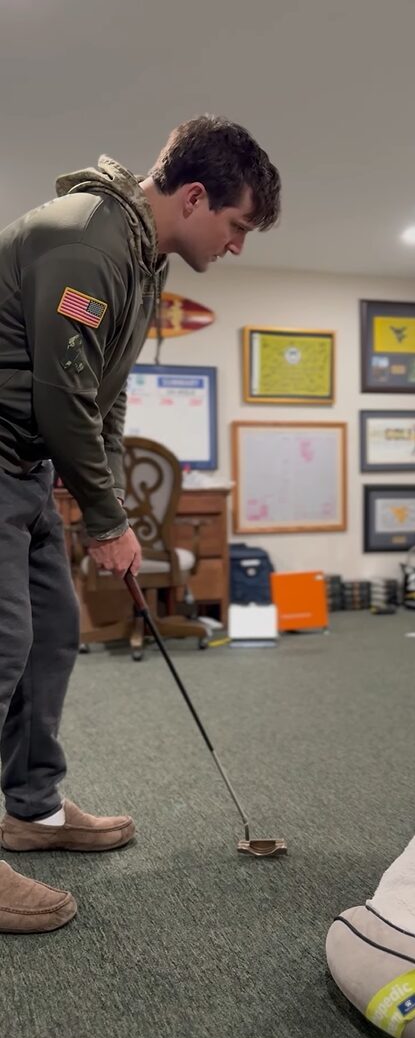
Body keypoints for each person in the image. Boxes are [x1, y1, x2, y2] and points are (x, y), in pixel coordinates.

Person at [0, 115, 281, 933]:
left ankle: (32, 810)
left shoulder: (140, 263)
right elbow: (58, 393)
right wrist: (105, 516)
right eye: (235, 226)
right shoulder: (87, 243)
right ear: (194, 197)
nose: (236, 245)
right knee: (3, 646)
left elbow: (104, 396)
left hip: (28, 470)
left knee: (52, 637)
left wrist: (106, 513)